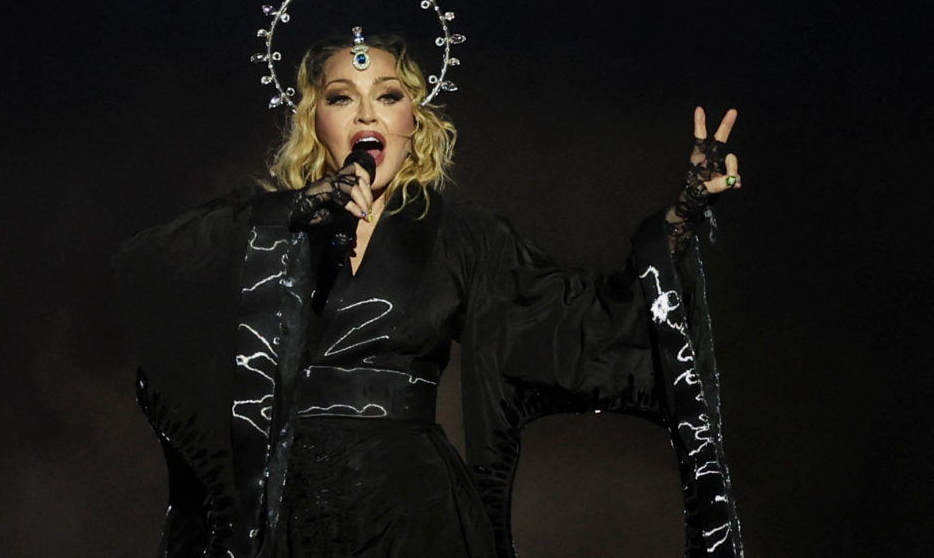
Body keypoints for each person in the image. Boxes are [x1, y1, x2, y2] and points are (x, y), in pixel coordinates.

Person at [113, 31, 745, 558]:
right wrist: (290, 215)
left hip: (413, 513)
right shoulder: (267, 227)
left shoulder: (460, 234)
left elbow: (583, 325)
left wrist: (684, 213)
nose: (366, 114)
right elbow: (151, 269)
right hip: (283, 515)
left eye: (387, 96)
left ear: (413, 121)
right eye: (342, 97)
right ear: (316, 121)